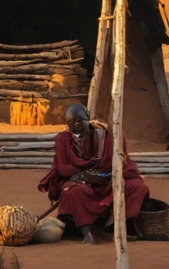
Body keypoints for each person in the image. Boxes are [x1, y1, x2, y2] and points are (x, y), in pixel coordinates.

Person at [38, 104, 149, 244]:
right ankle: (86, 233)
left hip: (108, 178)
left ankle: (120, 226)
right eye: (71, 122)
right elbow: (62, 168)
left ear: (88, 118)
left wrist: (101, 176)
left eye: (80, 120)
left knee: (137, 186)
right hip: (81, 182)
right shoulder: (64, 140)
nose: (76, 125)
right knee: (74, 192)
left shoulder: (107, 136)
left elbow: (117, 164)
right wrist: (82, 176)